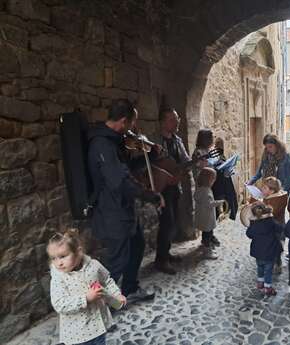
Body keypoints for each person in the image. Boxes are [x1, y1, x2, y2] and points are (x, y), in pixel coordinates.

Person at [88, 99, 161, 300]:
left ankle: (129, 288)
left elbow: (127, 170)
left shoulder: (115, 141)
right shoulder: (102, 145)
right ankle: (96, 307)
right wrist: (149, 195)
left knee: (137, 245)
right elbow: (119, 182)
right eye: (131, 124)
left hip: (123, 208)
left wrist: (151, 157)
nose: (133, 129)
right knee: (116, 261)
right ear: (122, 121)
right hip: (111, 211)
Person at [48, 229, 127, 345]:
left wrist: (116, 294)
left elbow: (107, 280)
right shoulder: (59, 278)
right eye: (54, 258)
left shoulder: (94, 266)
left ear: (78, 252)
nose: (58, 263)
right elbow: (59, 304)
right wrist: (86, 298)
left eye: (63, 256)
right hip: (78, 333)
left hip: (99, 326)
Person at [150, 108, 192, 275]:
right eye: (173, 120)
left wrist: (191, 164)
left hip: (174, 187)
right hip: (161, 188)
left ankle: (165, 253)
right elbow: (150, 164)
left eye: (177, 120)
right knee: (167, 222)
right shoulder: (155, 140)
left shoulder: (177, 140)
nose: (177, 123)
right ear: (163, 121)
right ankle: (161, 260)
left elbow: (185, 160)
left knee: (172, 223)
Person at [246, 202, 284, 296]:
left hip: (258, 252)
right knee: (268, 270)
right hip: (270, 251)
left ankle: (260, 282)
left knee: (260, 267)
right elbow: (280, 228)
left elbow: (249, 234)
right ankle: (267, 287)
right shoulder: (270, 221)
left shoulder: (253, 224)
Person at [194, 167, 225, 260]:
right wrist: (219, 202)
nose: (214, 181)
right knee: (208, 233)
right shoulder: (206, 191)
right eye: (213, 179)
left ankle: (205, 245)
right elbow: (209, 204)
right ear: (208, 180)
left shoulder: (200, 189)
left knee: (206, 232)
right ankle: (207, 251)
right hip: (207, 217)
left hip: (203, 216)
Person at [212, 137, 238, 221]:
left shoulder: (222, 156)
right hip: (219, 181)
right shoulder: (213, 156)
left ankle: (223, 212)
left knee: (225, 196)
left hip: (223, 180)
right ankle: (221, 212)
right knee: (221, 196)